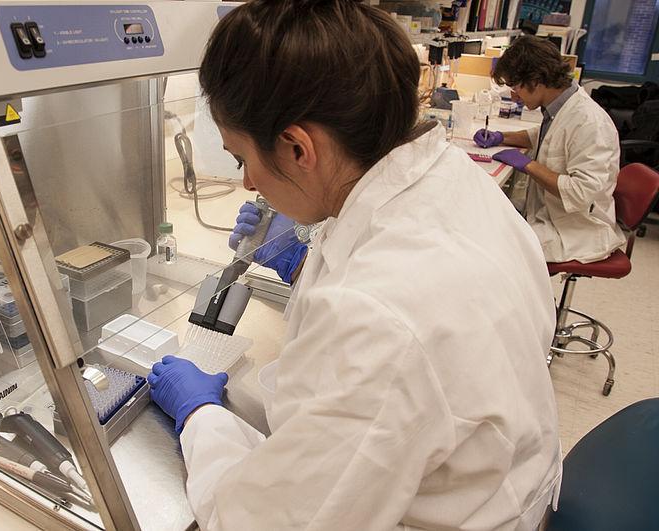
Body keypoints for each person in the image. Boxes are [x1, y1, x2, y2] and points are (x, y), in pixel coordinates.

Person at [148, 1, 562, 529]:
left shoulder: (378, 318)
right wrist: (304, 262)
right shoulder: (451, 175)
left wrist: (200, 418)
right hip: (493, 474)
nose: (248, 183)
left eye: (240, 158)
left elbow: (260, 521)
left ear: (298, 147)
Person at [474, 35, 626, 264]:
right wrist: (501, 137)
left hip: (574, 230)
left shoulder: (590, 123)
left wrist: (528, 165)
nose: (513, 95)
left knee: (488, 248)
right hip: (545, 213)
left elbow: (580, 193)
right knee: (484, 218)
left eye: (515, 86)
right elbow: (548, 136)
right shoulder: (562, 106)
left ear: (536, 80)